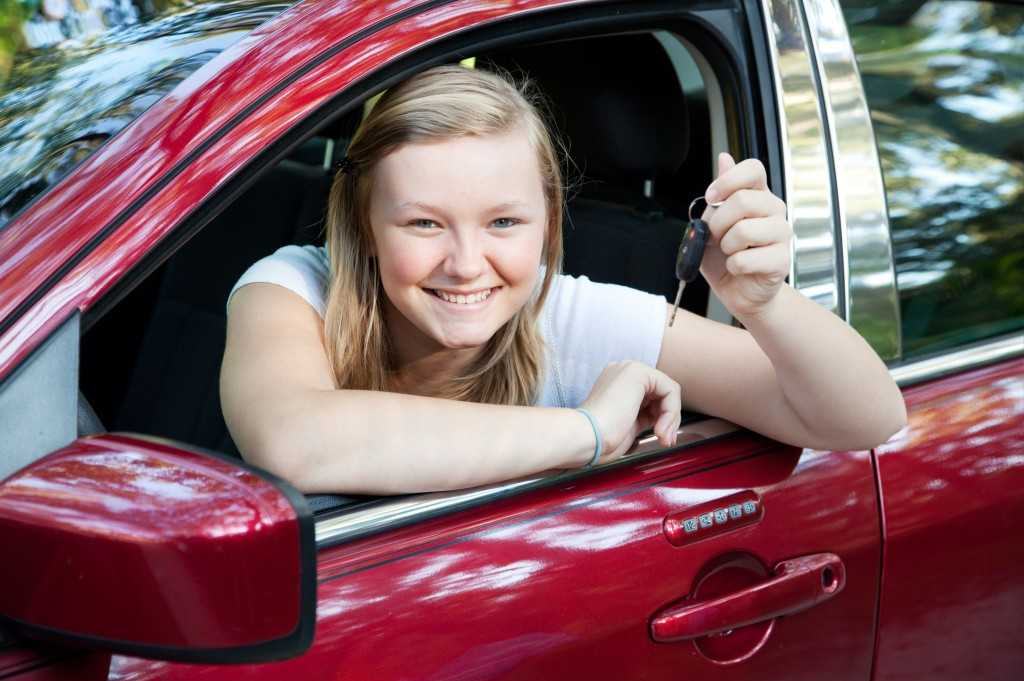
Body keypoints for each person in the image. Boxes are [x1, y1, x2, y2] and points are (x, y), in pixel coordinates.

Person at [219, 64, 907, 495]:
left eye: (504, 223)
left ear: (549, 222)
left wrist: (766, 305)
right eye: (424, 224)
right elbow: (297, 441)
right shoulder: (293, 289)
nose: (465, 263)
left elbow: (868, 418)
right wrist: (587, 430)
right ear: (364, 224)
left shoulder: (571, 318)